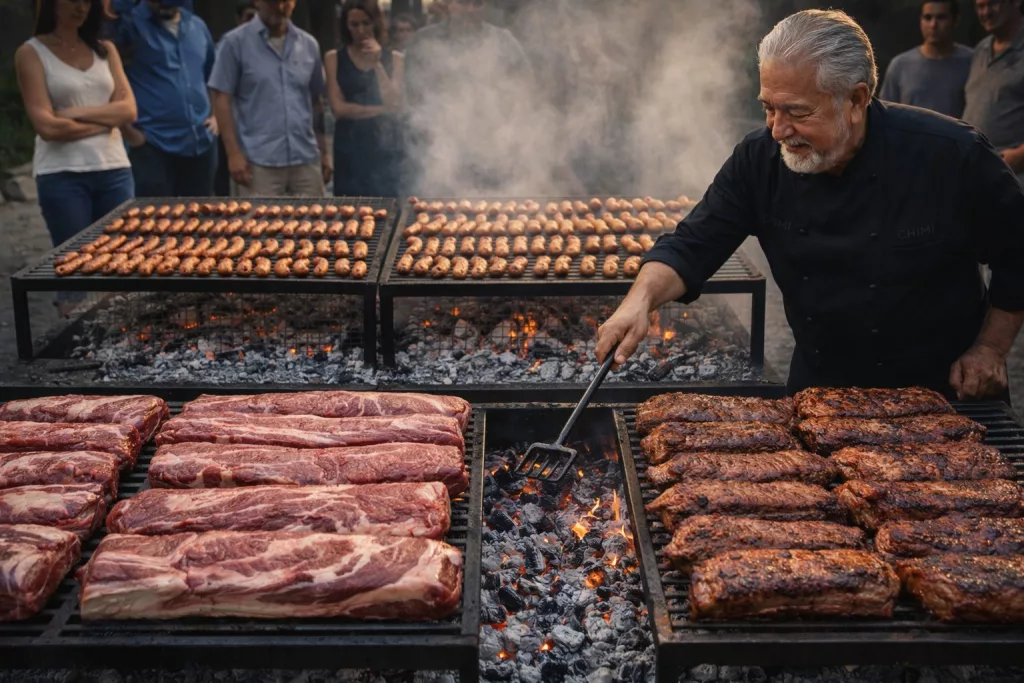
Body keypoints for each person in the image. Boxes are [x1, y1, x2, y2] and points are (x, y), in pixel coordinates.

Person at [595, 9, 1024, 401]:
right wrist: (639, 301)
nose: (778, 129)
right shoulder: (758, 159)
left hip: (944, 393)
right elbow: (690, 244)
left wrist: (990, 348)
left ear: (855, 101)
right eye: (768, 108)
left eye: (797, 112)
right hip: (820, 395)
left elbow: (1017, 252)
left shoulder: (950, 154)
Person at [15, 0, 136, 253]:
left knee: (120, 260)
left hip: (114, 168)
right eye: (73, 0)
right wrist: (106, 123)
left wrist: (74, 113)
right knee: (74, 265)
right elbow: (48, 128)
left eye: (87, 2)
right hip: (63, 173)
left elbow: (128, 110)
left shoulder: (106, 50)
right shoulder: (31, 52)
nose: (81, 8)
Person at [403, 0, 536, 194]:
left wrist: (509, 128)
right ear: (449, 4)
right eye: (464, 3)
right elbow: (414, 97)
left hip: (493, 154)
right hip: (440, 154)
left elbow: (526, 90)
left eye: (478, 4)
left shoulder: (503, 41)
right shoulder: (425, 41)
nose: (470, 10)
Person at [208, 0, 331, 197]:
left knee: (314, 225)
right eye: (272, 1)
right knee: (261, 226)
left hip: (305, 158)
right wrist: (233, 155)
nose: (279, 7)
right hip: (258, 163)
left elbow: (316, 102)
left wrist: (324, 153)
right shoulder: (234, 43)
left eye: (285, 2)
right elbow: (221, 98)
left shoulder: (308, 45)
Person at [103, 0, 218, 197]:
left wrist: (216, 117)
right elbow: (107, 78)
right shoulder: (129, 25)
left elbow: (214, 77)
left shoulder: (197, 26)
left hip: (200, 141)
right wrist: (130, 134)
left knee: (201, 219)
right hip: (153, 144)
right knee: (154, 222)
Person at [325, 0, 402, 197]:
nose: (361, 30)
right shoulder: (334, 58)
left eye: (366, 23)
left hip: (385, 146)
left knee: (388, 210)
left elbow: (394, 101)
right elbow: (339, 109)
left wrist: (377, 64)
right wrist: (381, 110)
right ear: (346, 26)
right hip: (349, 147)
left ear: (376, 22)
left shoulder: (395, 58)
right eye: (354, 24)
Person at [963, 0, 1024, 179]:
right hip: (977, 174)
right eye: (980, 6)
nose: (986, 12)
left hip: (1014, 179)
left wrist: (1020, 156)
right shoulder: (980, 50)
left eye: (993, 3)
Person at [879, 1, 972, 117]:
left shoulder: (972, 61)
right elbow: (885, 114)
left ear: (955, 21)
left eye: (941, 17)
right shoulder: (900, 65)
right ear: (921, 22)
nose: (933, 25)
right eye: (928, 18)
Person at [214, 0, 257, 196]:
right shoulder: (229, 46)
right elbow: (217, 92)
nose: (254, 22)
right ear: (238, 19)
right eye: (249, 17)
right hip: (235, 138)